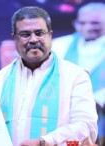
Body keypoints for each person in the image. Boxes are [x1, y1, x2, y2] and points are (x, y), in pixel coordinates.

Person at [0, 6, 98, 146]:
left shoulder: (75, 75)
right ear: (14, 38)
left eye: (39, 33)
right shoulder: (1, 78)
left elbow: (86, 126)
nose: (33, 40)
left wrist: (45, 142)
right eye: (25, 34)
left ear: (50, 35)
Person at [52, 2, 105, 145]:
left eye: (95, 23)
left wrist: (97, 100)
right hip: (68, 113)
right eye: (82, 23)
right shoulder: (59, 44)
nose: (88, 27)